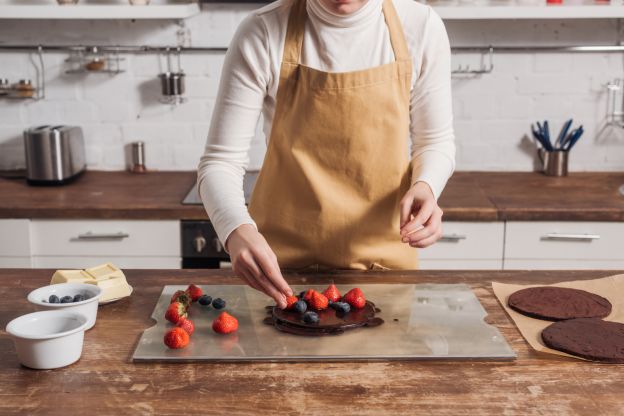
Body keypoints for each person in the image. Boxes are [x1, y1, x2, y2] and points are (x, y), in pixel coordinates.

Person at [198, 0, 455, 308]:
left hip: (387, 268)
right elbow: (220, 162)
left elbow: (435, 140)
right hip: (280, 273)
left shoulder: (421, 26)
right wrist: (236, 230)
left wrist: (426, 185)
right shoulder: (262, 31)